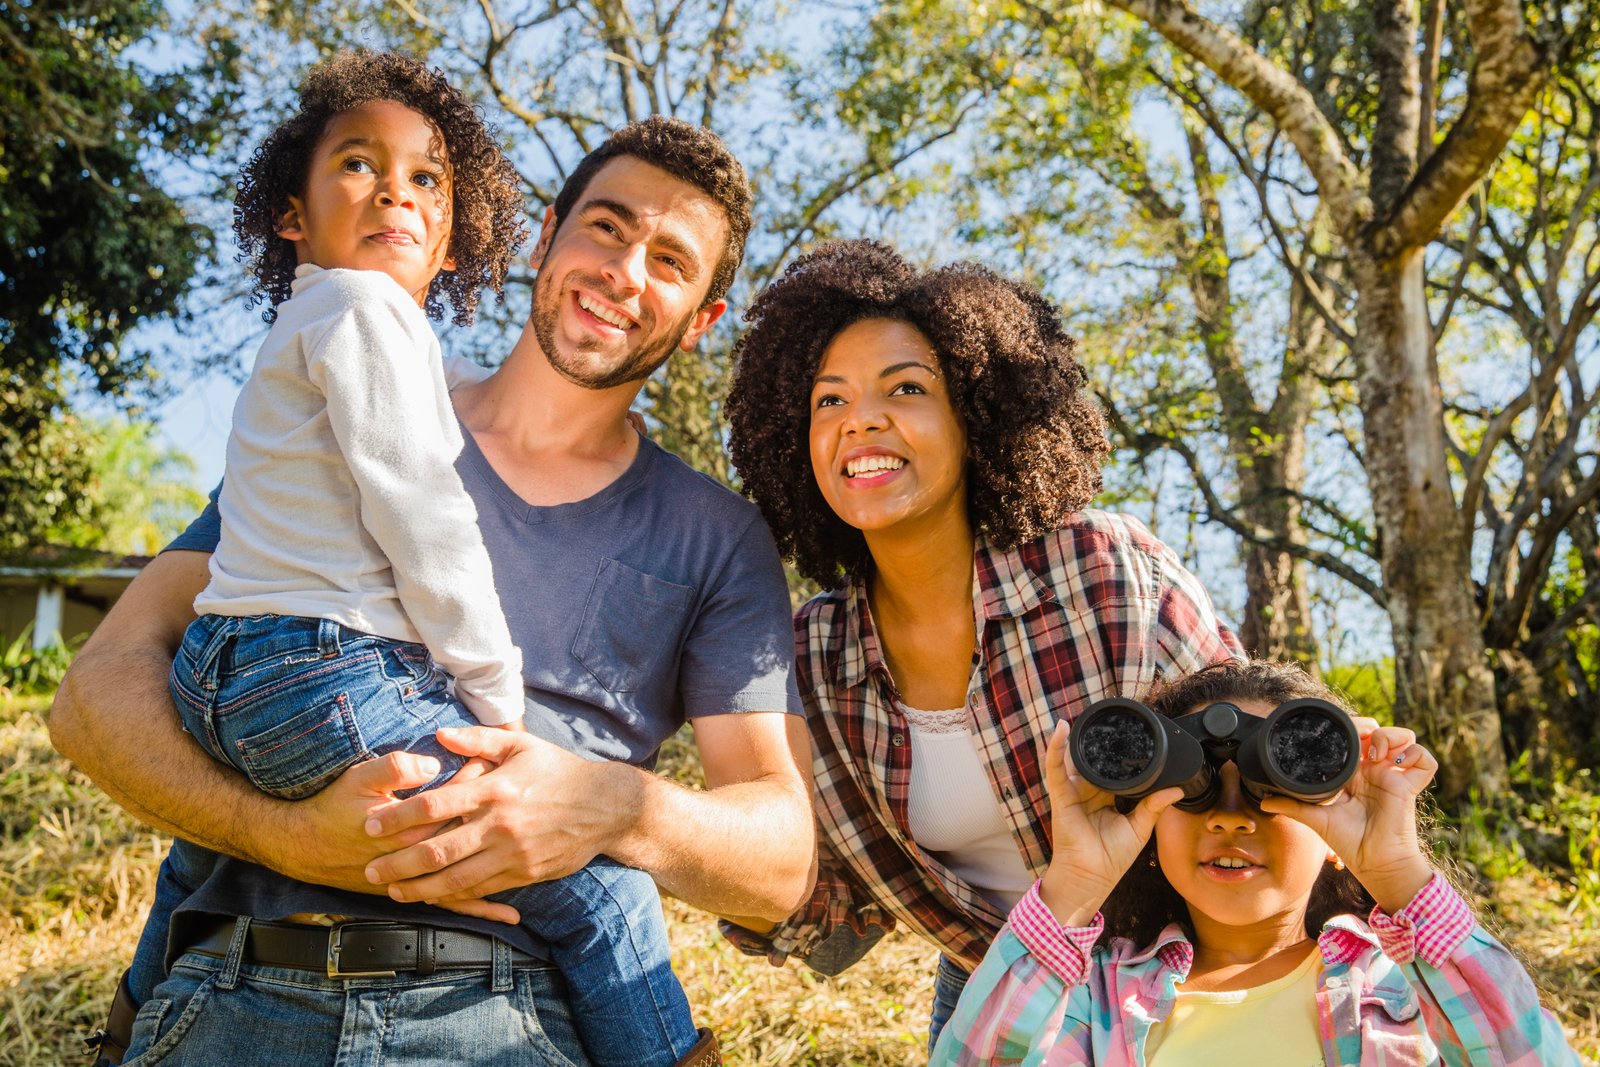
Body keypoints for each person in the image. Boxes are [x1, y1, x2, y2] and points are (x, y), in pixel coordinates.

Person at [50, 105, 815, 1066]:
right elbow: (92, 700)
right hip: (239, 988)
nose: (625, 271)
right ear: (546, 236)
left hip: (511, 1016)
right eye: (606, 227)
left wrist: (617, 805)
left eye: (669, 261)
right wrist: (284, 836)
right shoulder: (357, 404)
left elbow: (782, 865)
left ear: (703, 320)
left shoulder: (717, 535)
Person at [149, 49, 707, 1067]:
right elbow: (425, 516)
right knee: (604, 892)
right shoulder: (368, 315)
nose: (394, 192)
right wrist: (495, 697)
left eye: (425, 179)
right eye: (359, 164)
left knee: (198, 852)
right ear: (291, 213)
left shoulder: (320, 323)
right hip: (319, 665)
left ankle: (128, 1017)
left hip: (221, 668)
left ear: (450, 238)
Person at [720, 239, 1243, 1047]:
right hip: (999, 988)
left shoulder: (1102, 570)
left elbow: (1253, 769)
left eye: (906, 387)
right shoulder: (811, 659)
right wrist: (647, 826)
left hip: (1188, 976)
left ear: (977, 416)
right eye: (829, 400)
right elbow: (830, 922)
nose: (861, 418)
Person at [930, 660, 1581, 1065]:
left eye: (1271, 794)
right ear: (1149, 825)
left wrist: (1398, 873)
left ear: (1333, 832)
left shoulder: (1409, 991)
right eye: (1193, 791)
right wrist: (1074, 883)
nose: (1231, 817)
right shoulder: (1087, 1002)